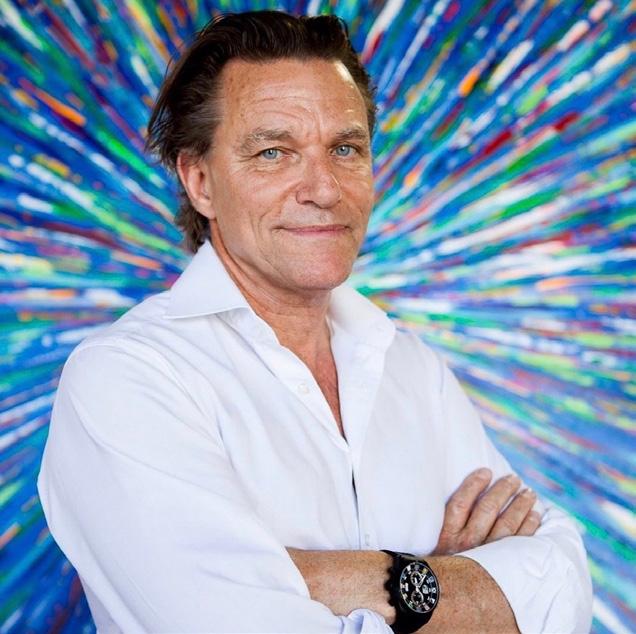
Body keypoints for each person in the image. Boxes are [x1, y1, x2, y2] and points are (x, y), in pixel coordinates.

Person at [37, 10, 592, 634]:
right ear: (200, 182)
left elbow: (564, 585)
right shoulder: (127, 379)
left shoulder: (412, 367)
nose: (324, 189)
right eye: (274, 152)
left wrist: (331, 579)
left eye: (345, 149)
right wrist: (454, 585)